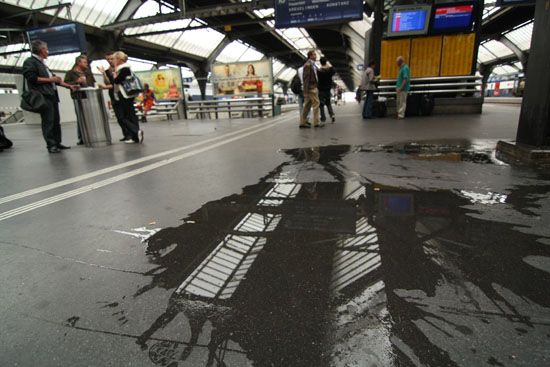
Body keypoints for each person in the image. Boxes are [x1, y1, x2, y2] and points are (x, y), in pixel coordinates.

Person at [22, 39, 78, 153]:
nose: (48, 51)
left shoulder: (43, 63)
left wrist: (69, 86)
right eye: (46, 49)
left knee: (56, 120)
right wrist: (50, 79)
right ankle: (51, 145)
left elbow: (55, 80)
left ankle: (57, 143)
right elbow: (32, 78)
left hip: (52, 95)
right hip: (43, 96)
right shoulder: (30, 62)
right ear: (41, 50)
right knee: (48, 121)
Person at [112, 51, 144, 144]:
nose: (113, 61)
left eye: (114, 59)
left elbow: (117, 81)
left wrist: (114, 76)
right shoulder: (126, 68)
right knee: (131, 115)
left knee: (122, 116)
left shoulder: (124, 69)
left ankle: (136, 131)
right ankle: (136, 137)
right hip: (128, 95)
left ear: (119, 59)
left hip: (124, 94)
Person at [64, 54, 96, 145]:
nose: (87, 64)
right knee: (80, 116)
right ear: (79, 63)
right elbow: (66, 84)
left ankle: (92, 135)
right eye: (85, 62)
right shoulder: (70, 73)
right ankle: (82, 137)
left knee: (90, 116)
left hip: (89, 96)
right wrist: (77, 81)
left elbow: (93, 83)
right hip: (78, 97)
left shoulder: (88, 73)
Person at [98, 51, 130, 141]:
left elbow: (117, 83)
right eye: (108, 59)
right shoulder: (108, 71)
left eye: (112, 58)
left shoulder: (121, 69)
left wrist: (105, 87)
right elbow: (108, 82)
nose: (110, 61)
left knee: (125, 116)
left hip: (122, 94)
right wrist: (103, 73)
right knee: (119, 117)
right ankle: (126, 134)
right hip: (113, 96)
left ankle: (130, 133)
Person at [301, 50, 321, 128]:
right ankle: (316, 122)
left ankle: (303, 122)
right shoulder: (308, 65)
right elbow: (305, 79)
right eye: (314, 55)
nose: (316, 56)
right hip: (311, 88)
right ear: (310, 56)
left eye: (315, 55)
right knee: (316, 104)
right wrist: (305, 91)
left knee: (307, 106)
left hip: (312, 87)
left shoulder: (312, 65)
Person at [317, 57, 336, 123]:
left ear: (320, 62)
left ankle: (323, 118)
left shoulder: (319, 71)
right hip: (328, 89)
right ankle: (332, 115)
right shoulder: (330, 70)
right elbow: (334, 70)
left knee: (321, 104)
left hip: (321, 89)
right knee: (328, 103)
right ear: (326, 62)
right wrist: (328, 66)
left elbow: (317, 79)